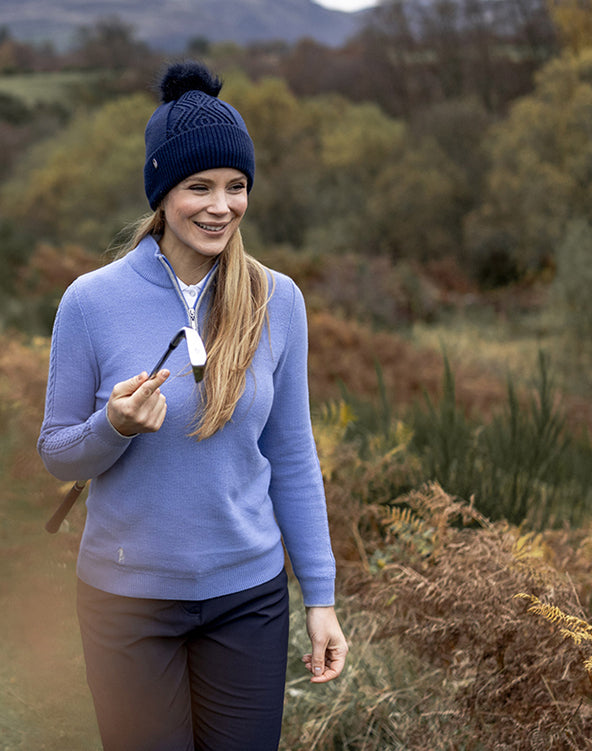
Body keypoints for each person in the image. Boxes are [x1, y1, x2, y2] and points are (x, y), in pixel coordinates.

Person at [37, 60, 348, 751]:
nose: (221, 206)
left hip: (248, 601)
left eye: (237, 186)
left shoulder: (278, 300)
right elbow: (57, 451)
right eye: (199, 187)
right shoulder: (90, 302)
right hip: (126, 603)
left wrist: (320, 598)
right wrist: (112, 427)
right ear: (162, 193)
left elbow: (292, 454)